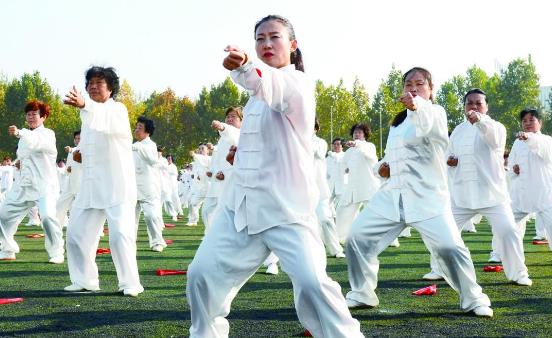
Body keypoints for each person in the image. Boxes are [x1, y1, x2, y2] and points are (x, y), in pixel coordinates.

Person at [186, 15, 363, 338]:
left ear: (293, 45)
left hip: (286, 209)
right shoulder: (254, 99)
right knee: (200, 275)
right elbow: (263, 135)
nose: (266, 44)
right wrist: (240, 155)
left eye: (274, 37)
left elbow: (269, 85)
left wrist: (243, 65)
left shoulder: (297, 84)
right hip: (241, 207)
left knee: (312, 283)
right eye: (260, 39)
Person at [345, 67, 493, 317]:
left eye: (420, 84)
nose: (413, 88)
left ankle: (473, 298)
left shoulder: (435, 113)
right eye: (408, 84)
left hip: (427, 198)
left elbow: (428, 128)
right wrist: (382, 167)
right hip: (392, 196)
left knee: (450, 248)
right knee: (356, 239)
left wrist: (416, 107)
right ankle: (362, 293)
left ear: (431, 90)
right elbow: (390, 158)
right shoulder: (397, 123)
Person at [429, 89, 531, 286]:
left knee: (509, 231)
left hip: (493, 195)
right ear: (464, 106)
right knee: (443, 232)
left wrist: (479, 121)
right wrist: (450, 161)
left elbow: (493, 140)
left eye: (478, 103)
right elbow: (448, 154)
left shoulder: (496, 126)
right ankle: (439, 269)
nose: (473, 107)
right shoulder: (458, 130)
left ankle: (519, 273)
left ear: (486, 106)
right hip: (462, 195)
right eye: (469, 103)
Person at [63, 66, 143, 296]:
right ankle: (85, 280)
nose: (93, 87)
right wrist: (79, 153)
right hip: (90, 186)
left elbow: (106, 122)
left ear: (111, 88)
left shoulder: (117, 109)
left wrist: (84, 104)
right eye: (90, 83)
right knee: (76, 233)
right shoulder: (87, 114)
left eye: (99, 82)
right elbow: (92, 141)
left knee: (120, 237)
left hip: (116, 185)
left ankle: (130, 284)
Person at [0, 100, 64, 263]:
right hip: (23, 185)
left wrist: (20, 132)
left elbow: (36, 143)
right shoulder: (24, 137)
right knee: (3, 216)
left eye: (34, 114)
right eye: (28, 114)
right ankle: (7, 248)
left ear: (43, 117)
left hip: (44, 186)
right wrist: (19, 162)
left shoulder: (48, 134)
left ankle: (56, 252)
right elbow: (25, 154)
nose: (30, 117)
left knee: (48, 217)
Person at [509, 108, 552, 250]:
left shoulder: (546, 140)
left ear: (540, 122)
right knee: (507, 224)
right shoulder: (517, 143)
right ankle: (499, 254)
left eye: (531, 120)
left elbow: (543, 150)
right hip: (522, 193)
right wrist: (514, 169)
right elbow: (511, 163)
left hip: (544, 193)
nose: (527, 123)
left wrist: (528, 138)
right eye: (524, 121)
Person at [336, 123, 380, 243]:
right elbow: (343, 163)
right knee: (342, 211)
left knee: (376, 214)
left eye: (359, 132)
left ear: (365, 134)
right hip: (353, 188)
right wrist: (345, 168)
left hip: (368, 187)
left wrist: (356, 144)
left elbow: (371, 156)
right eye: (355, 132)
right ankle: (340, 237)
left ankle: (387, 239)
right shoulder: (350, 151)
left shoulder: (369, 146)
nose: (356, 134)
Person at [202, 106, 242, 232]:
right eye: (228, 116)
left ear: (242, 121)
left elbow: (230, 132)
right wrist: (213, 173)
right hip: (217, 183)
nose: (229, 119)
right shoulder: (222, 140)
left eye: (233, 116)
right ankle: (209, 238)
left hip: (232, 184)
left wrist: (221, 126)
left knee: (231, 217)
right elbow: (218, 161)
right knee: (206, 211)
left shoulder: (240, 134)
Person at [133, 116, 166, 252]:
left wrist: (135, 147)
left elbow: (152, 160)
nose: (136, 130)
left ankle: (157, 242)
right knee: (130, 220)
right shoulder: (134, 146)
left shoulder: (150, 146)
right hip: (132, 188)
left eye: (140, 127)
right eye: (136, 127)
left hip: (148, 188)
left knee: (151, 216)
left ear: (148, 132)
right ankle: (129, 244)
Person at [313, 120, 345, 257]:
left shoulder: (321, 142)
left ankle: (336, 249)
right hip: (299, 190)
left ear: (316, 128)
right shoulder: (294, 139)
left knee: (326, 219)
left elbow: (318, 153)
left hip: (318, 190)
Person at [56, 131, 82, 228]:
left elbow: (81, 157)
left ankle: (96, 231)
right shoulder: (72, 151)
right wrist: (68, 169)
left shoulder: (88, 150)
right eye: (76, 138)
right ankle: (57, 226)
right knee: (60, 205)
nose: (78, 140)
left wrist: (71, 150)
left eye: (80, 138)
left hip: (82, 185)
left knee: (84, 209)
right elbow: (67, 170)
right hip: (71, 183)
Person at [186, 144, 211, 226]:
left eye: (203, 148)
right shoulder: (197, 161)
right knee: (193, 203)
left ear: (208, 150)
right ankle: (193, 221)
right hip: (200, 188)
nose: (200, 150)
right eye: (199, 148)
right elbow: (195, 171)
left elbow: (203, 161)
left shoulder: (210, 159)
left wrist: (194, 154)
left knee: (211, 208)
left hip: (210, 187)